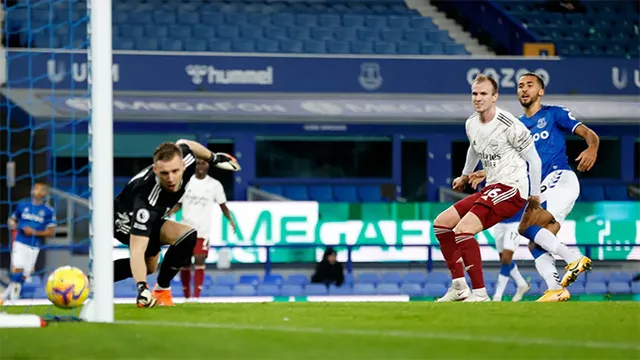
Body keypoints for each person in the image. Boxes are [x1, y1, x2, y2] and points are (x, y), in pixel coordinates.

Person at [470, 73, 598, 302]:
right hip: (541, 188)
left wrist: (592, 148)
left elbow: (589, 134)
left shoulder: (553, 114)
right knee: (534, 241)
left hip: (560, 178)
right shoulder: (516, 126)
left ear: (541, 91)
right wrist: (485, 171)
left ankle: (573, 258)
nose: (524, 89)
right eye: (520, 86)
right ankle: (555, 288)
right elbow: (508, 160)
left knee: (526, 226)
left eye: (530, 85)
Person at [433, 74, 543, 302]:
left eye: (483, 94)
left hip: (513, 189)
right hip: (492, 188)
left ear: (495, 97)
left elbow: (534, 160)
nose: (478, 98)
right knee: (442, 224)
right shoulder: (471, 123)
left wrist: (535, 197)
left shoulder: (510, 124)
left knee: (463, 230)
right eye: (475, 93)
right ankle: (459, 286)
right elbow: (474, 149)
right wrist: (464, 176)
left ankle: (481, 293)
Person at [112, 140, 236, 307]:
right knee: (145, 264)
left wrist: (213, 158)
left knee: (184, 238)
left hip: (154, 216)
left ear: (184, 166)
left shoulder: (187, 158)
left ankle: (162, 291)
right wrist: (142, 287)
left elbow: (185, 144)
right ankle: (99, 278)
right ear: (155, 170)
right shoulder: (146, 199)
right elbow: (137, 249)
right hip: (123, 219)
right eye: (164, 173)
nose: (171, 178)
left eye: (175, 171)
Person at [178, 159, 236, 299]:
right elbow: (178, 204)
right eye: (198, 163)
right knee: (184, 262)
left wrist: (230, 219)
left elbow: (222, 205)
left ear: (208, 165)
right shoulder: (186, 182)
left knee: (199, 259)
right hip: (186, 230)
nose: (200, 166)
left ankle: (196, 297)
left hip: (202, 231)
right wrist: (166, 213)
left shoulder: (214, 185)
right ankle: (187, 296)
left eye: (203, 163)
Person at [1, 181, 56, 305]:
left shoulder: (48, 211)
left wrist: (34, 232)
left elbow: (51, 232)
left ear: (45, 193)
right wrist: (12, 224)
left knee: (25, 275)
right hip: (20, 242)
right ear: (32, 191)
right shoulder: (22, 205)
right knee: (18, 269)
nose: (38, 191)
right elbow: (12, 219)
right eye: (36, 188)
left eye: (41, 189)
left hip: (34, 246)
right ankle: (12, 301)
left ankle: (4, 296)